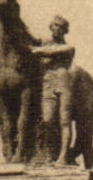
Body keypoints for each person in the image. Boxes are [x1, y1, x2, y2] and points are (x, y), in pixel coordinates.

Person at [32, 15, 77, 162]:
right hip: (48, 84)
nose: (57, 29)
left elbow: (47, 51)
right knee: (47, 120)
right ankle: (50, 154)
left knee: (65, 120)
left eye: (60, 27)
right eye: (54, 26)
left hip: (64, 83)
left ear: (64, 31)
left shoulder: (68, 47)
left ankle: (63, 156)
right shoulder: (44, 43)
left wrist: (36, 50)